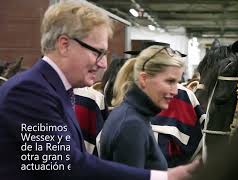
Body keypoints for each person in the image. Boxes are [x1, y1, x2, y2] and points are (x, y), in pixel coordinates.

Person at [0, 1, 198, 179]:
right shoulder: (29, 93)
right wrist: (162, 178)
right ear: (64, 45)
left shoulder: (53, 90)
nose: (103, 64)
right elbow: (68, 166)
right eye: (98, 52)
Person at [98, 45, 185, 170]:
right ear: (144, 79)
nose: (175, 91)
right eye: (170, 81)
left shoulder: (132, 115)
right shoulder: (132, 125)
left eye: (177, 82)